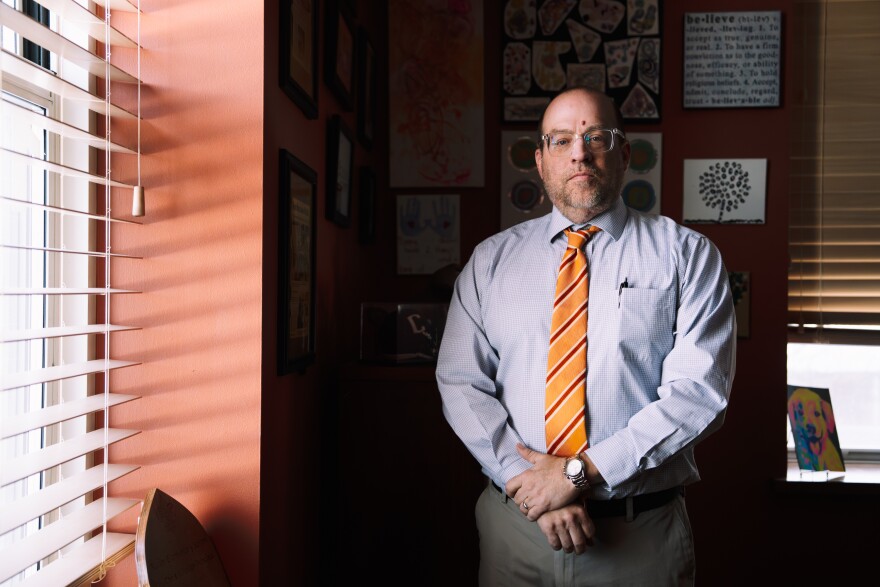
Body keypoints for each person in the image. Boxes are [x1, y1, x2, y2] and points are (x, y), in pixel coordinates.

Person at [435, 88, 736, 586]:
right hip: (517, 532)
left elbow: (698, 394)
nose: (580, 151)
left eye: (597, 136)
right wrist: (533, 489)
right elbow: (460, 382)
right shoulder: (490, 261)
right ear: (540, 159)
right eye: (561, 139)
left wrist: (574, 476)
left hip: (640, 540)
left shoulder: (688, 255)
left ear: (626, 154)